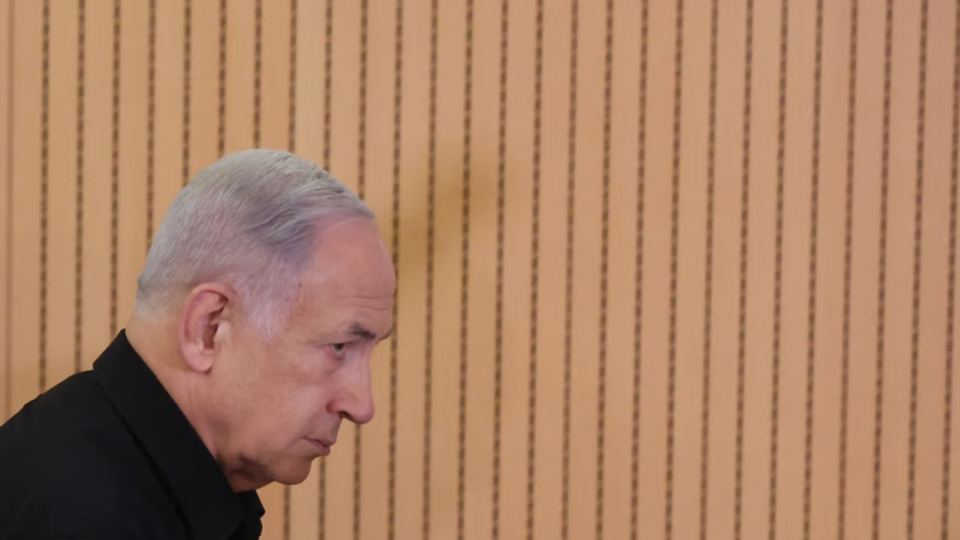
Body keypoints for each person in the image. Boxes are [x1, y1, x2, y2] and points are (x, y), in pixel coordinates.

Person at [0, 149, 395, 539]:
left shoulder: (100, 465)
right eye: (339, 347)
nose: (362, 406)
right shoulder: (86, 521)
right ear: (209, 328)